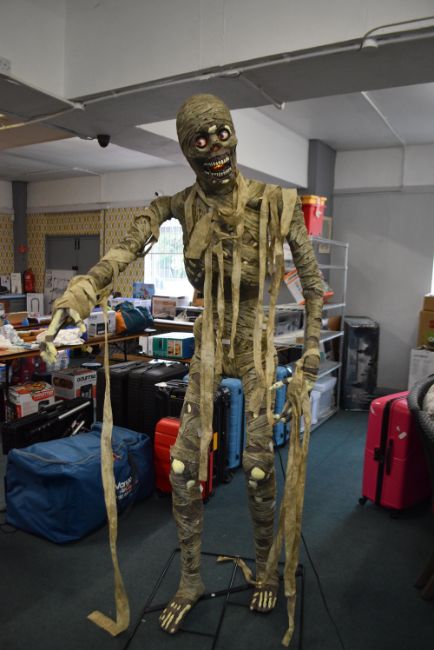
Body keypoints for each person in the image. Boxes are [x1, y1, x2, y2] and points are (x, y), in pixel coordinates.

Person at [42, 93, 323, 643]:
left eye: (222, 133)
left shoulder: (277, 202)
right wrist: (78, 295)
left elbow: (311, 285)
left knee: (259, 466)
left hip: (254, 341)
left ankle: (266, 569)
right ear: (185, 149)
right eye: (200, 139)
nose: (215, 147)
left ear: (234, 135)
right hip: (210, 340)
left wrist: (310, 355)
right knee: (181, 467)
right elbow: (124, 251)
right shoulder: (177, 206)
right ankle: (190, 578)